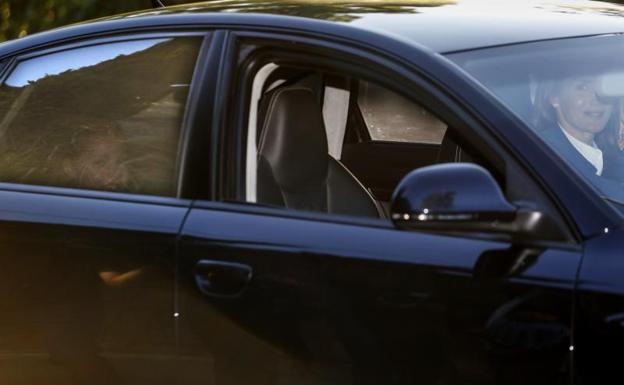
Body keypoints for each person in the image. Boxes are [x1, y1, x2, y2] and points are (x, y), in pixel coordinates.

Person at [535, 73, 624, 199]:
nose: (598, 99)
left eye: (603, 87)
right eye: (583, 87)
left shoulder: (610, 154)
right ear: (554, 97)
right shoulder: (541, 152)